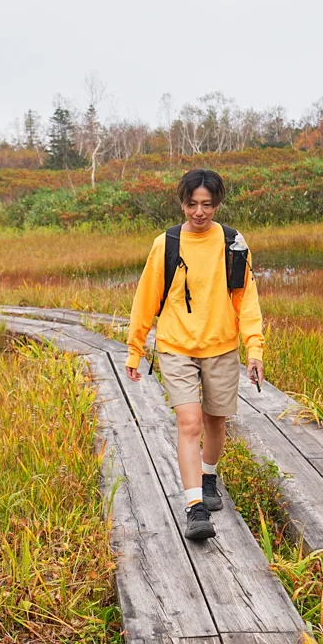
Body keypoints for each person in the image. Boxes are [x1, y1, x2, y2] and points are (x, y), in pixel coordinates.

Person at [125, 168, 264, 542]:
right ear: (182, 203)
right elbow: (145, 299)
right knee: (189, 423)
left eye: (206, 204)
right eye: (192, 204)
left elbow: (246, 299)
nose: (199, 212)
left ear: (217, 204)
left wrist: (255, 348)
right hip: (176, 346)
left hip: (221, 346)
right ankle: (195, 507)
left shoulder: (233, 242)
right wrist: (135, 349)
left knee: (215, 422)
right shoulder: (166, 243)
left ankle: (208, 476)